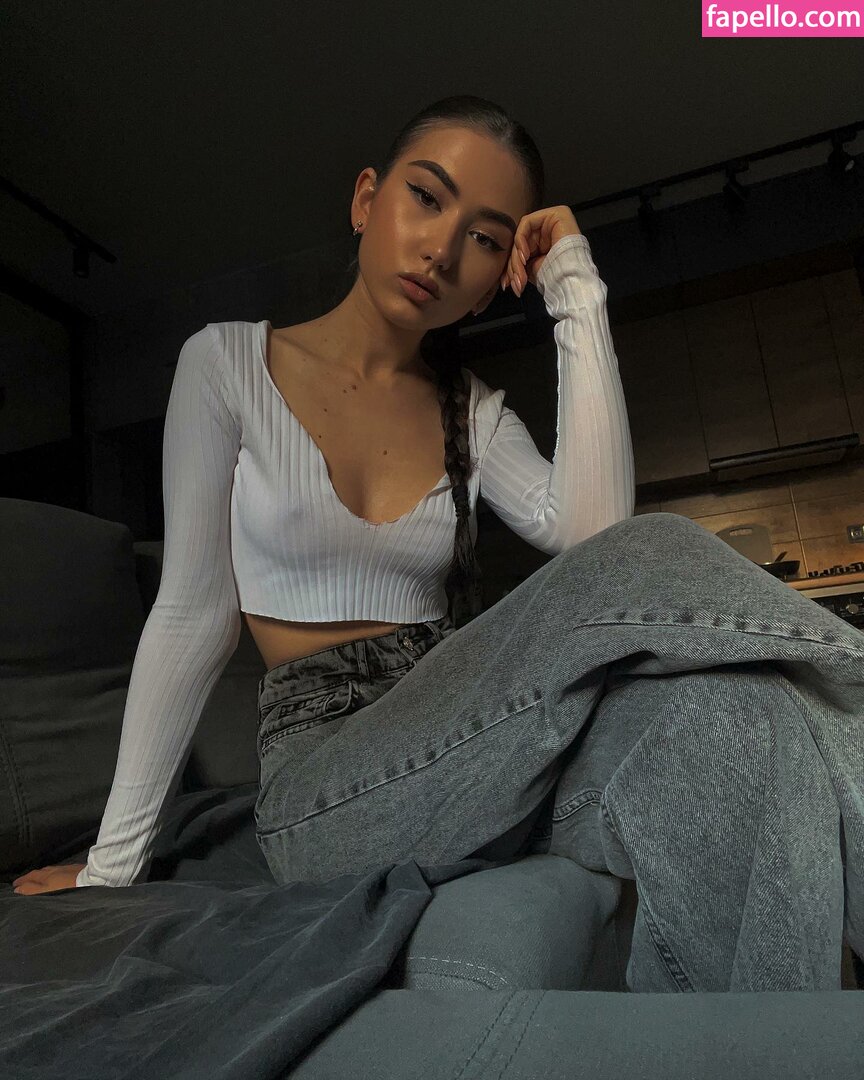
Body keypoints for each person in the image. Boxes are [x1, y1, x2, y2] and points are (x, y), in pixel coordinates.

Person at [13, 95, 864, 995]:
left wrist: (574, 286)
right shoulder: (227, 365)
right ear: (365, 200)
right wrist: (111, 867)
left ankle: (767, 1047)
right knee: (646, 558)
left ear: (498, 275)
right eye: (426, 198)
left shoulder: (474, 415)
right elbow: (191, 617)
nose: (442, 251)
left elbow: (591, 531)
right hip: (328, 785)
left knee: (742, 719)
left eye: (486, 238)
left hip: (478, 747)